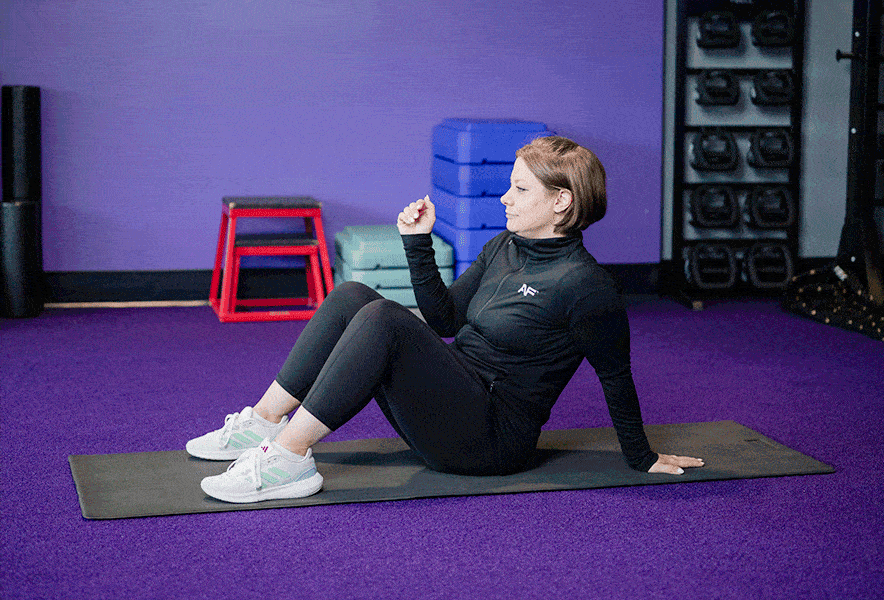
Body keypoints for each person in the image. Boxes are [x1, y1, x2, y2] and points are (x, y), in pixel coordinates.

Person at [187, 135, 704, 503]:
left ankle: (288, 458)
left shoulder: (588, 287)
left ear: (562, 202)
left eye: (521, 190)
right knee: (351, 296)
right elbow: (444, 319)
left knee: (385, 318)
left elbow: (616, 377)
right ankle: (263, 421)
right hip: (453, 403)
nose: (505, 197)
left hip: (491, 440)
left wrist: (641, 456)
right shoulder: (505, 245)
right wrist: (417, 243)